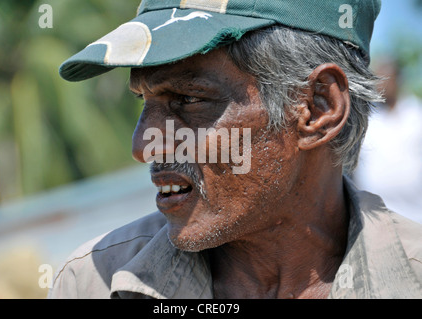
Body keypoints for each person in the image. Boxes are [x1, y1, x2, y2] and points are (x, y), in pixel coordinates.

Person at [49, 0, 422, 299]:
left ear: (317, 108)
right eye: (143, 100)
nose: (143, 146)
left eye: (189, 99)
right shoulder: (93, 283)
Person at [354, 58, 422, 224]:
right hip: (375, 216)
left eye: (386, 79)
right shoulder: (368, 117)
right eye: (379, 79)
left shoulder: (416, 114)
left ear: (398, 79)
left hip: (414, 214)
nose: (381, 85)